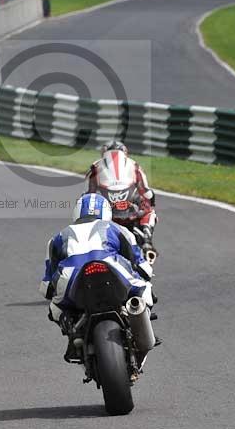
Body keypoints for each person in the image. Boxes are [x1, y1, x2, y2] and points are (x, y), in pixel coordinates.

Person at [40, 193, 157, 361]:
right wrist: (144, 275)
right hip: (113, 267)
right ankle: (140, 325)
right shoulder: (118, 229)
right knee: (145, 290)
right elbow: (140, 265)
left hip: (71, 277)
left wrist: (57, 302)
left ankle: (73, 334)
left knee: (55, 309)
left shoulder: (57, 238)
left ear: (76, 212)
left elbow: (47, 284)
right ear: (107, 212)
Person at [85, 141, 158, 260]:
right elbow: (146, 192)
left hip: (107, 212)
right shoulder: (135, 165)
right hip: (130, 210)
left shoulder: (95, 167)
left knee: (86, 214)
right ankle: (147, 240)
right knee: (150, 212)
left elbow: (88, 194)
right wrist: (150, 201)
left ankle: (87, 248)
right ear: (125, 153)